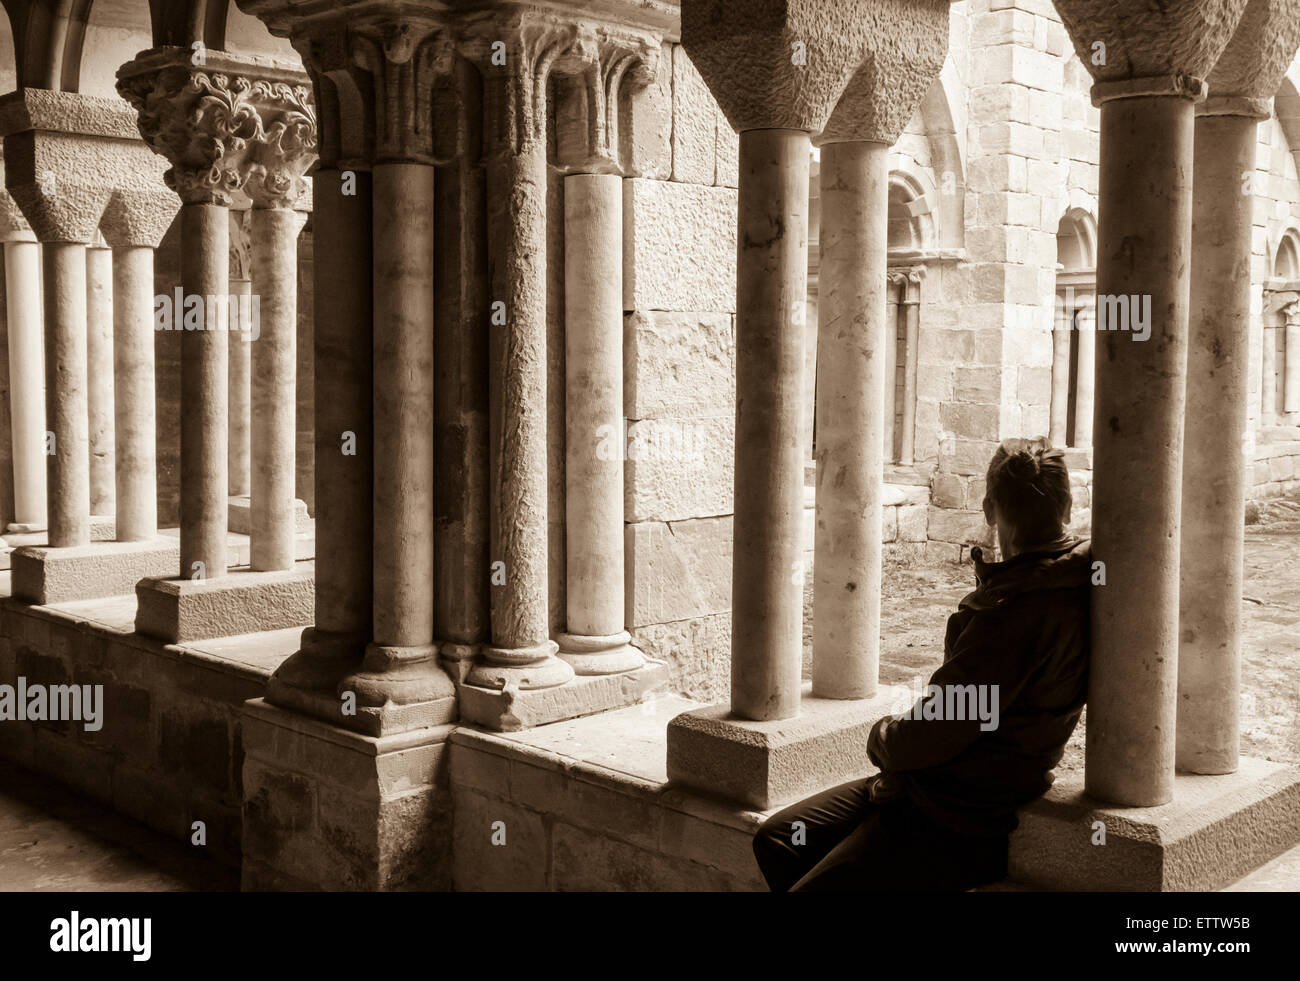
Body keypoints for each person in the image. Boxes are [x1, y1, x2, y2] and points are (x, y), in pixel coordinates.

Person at [752, 438, 1092, 891]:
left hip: (959, 817)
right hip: (934, 786)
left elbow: (934, 733)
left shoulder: (1017, 613)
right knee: (777, 838)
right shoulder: (1069, 581)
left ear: (990, 510)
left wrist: (882, 739)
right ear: (1066, 507)